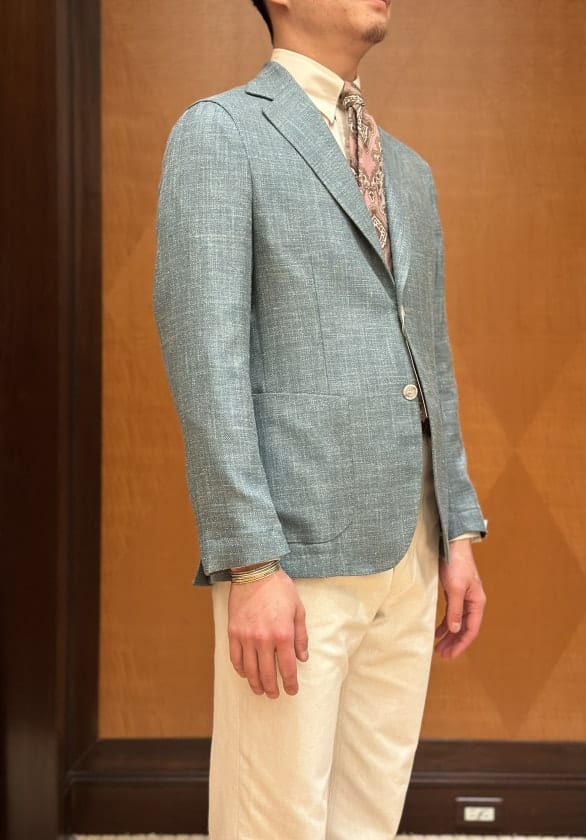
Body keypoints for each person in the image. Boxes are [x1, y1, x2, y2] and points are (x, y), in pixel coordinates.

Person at [153, 0, 488, 837]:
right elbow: (206, 360)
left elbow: (432, 360)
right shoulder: (221, 134)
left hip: (411, 553)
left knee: (370, 817)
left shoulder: (407, 171)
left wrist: (458, 532)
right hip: (291, 560)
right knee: (275, 820)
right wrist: (249, 563)